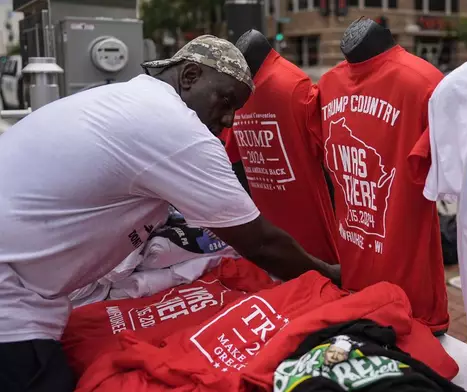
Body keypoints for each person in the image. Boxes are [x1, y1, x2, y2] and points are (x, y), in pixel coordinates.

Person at [0, 35, 339, 392]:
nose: (228, 119)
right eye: (225, 101)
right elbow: (261, 244)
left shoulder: (127, 99)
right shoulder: (175, 128)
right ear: (189, 76)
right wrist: (333, 276)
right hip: (11, 293)